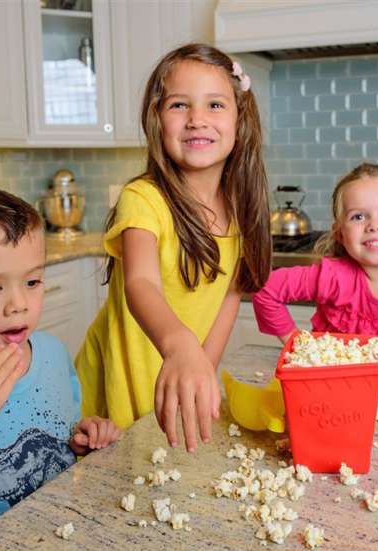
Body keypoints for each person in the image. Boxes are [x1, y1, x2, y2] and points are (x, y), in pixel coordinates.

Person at [75, 44, 271, 451]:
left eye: (215, 104)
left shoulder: (240, 209)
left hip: (176, 380)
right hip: (119, 394)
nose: (197, 120)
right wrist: (180, 347)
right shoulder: (143, 199)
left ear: (240, 119)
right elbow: (141, 283)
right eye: (179, 105)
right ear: (156, 119)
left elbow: (230, 297)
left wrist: (201, 369)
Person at [0, 186, 120, 543]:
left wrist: (81, 440)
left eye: (32, 281)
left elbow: (57, 439)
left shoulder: (52, 354)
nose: (18, 304)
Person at [252, 163, 378, 360]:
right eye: (358, 217)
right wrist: (295, 344)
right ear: (340, 233)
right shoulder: (332, 277)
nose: (374, 225)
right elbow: (266, 290)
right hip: (337, 380)